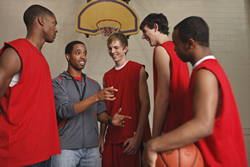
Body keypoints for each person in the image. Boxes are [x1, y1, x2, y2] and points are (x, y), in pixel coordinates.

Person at [142, 16, 248, 167]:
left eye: (176, 44)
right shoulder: (208, 69)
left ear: (190, 44)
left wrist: (154, 144)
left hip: (220, 159)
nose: (175, 49)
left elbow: (203, 125)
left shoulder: (205, 73)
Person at [51, 40, 131, 167]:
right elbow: (65, 111)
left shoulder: (94, 84)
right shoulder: (57, 83)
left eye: (85, 53)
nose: (83, 56)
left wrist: (110, 120)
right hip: (66, 148)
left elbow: (100, 113)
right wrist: (96, 97)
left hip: (91, 148)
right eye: (78, 53)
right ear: (68, 56)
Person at [0, 4, 61, 167]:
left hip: (41, 150)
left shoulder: (41, 59)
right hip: (18, 151)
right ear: (41, 21)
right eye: (54, 23)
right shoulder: (16, 51)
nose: (56, 29)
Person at [99, 33, 151, 167]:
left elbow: (145, 104)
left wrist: (138, 137)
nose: (112, 51)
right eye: (110, 48)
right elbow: (105, 109)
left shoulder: (137, 69)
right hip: (111, 138)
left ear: (125, 48)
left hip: (131, 137)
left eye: (116, 48)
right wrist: (101, 137)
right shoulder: (107, 76)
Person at [139, 13, 190, 138]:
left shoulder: (161, 50)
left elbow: (163, 97)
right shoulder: (178, 50)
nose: (143, 37)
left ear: (155, 27)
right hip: (185, 123)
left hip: (170, 124)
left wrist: (154, 138)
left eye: (145, 31)